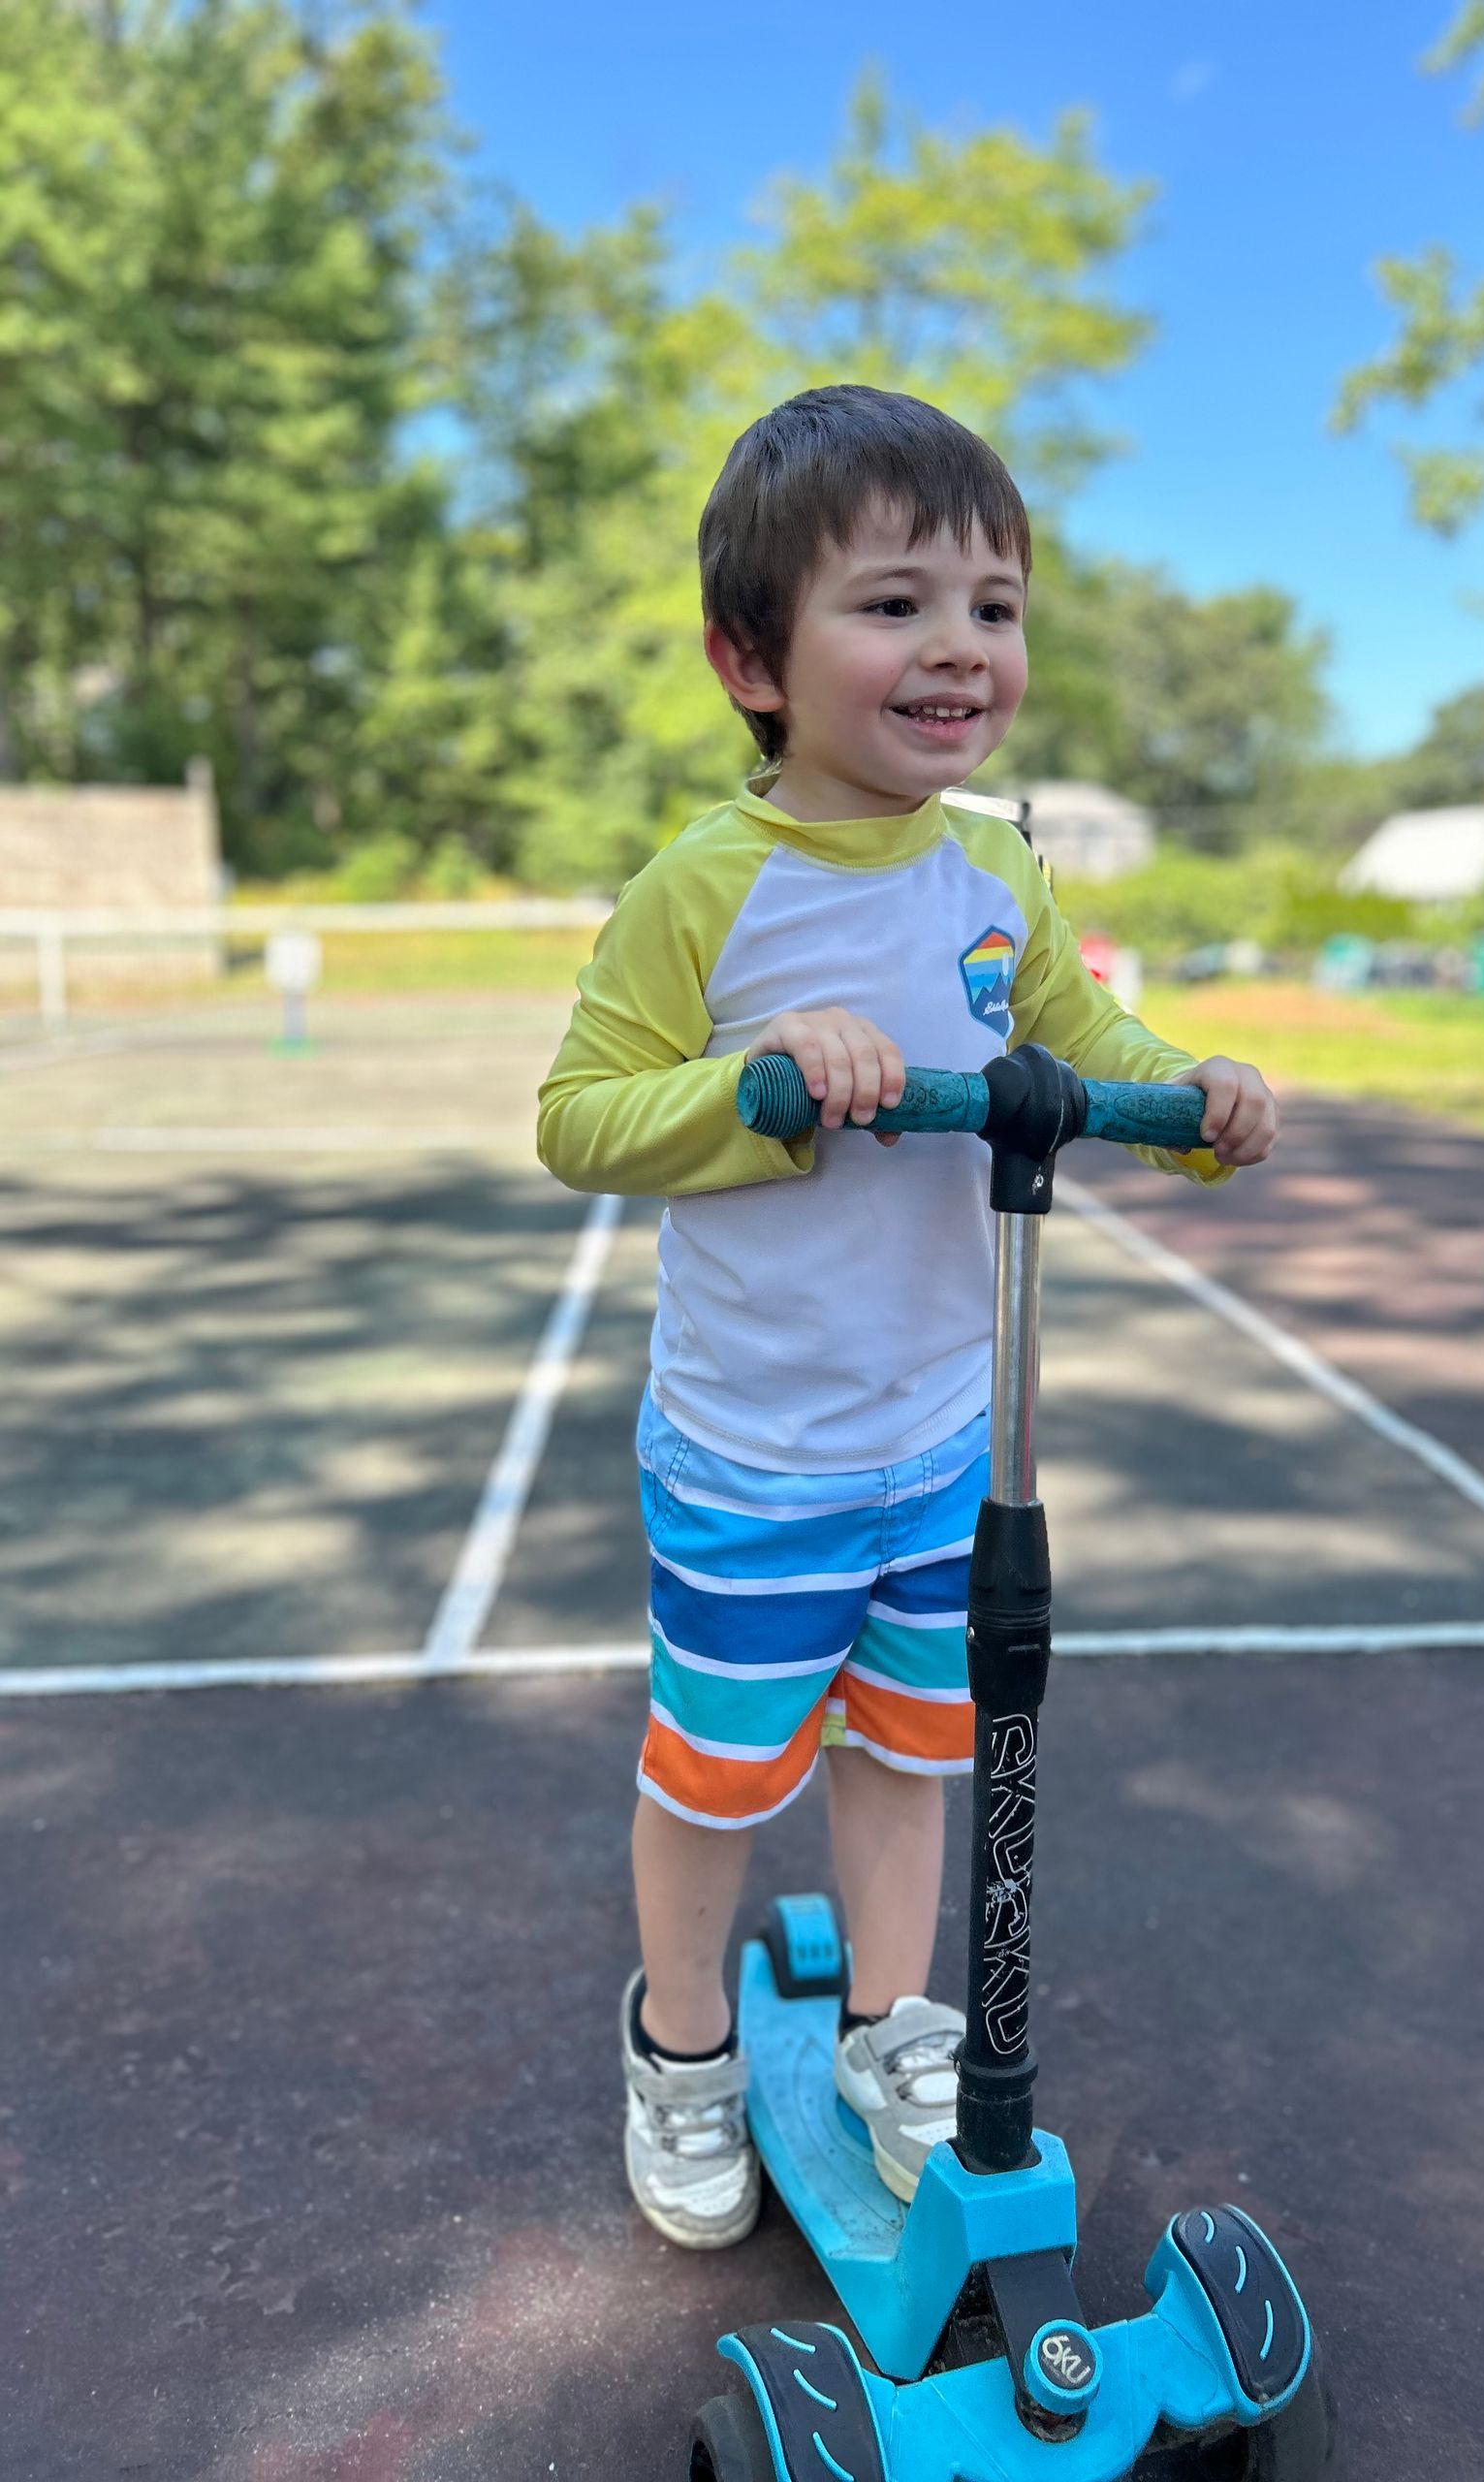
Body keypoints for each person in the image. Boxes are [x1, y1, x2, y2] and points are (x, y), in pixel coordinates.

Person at [536, 384, 1278, 2250]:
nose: (959, 646)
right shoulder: (705, 890)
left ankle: (888, 2030)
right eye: (894, 604)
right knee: (718, 1774)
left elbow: (1081, 1040)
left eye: (993, 607)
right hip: (757, 1452)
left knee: (916, 1749)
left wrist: (1191, 1099)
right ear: (751, 661)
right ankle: (682, 2045)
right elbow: (580, 1120)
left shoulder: (998, 868)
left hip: (947, 1431)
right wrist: (760, 1081)